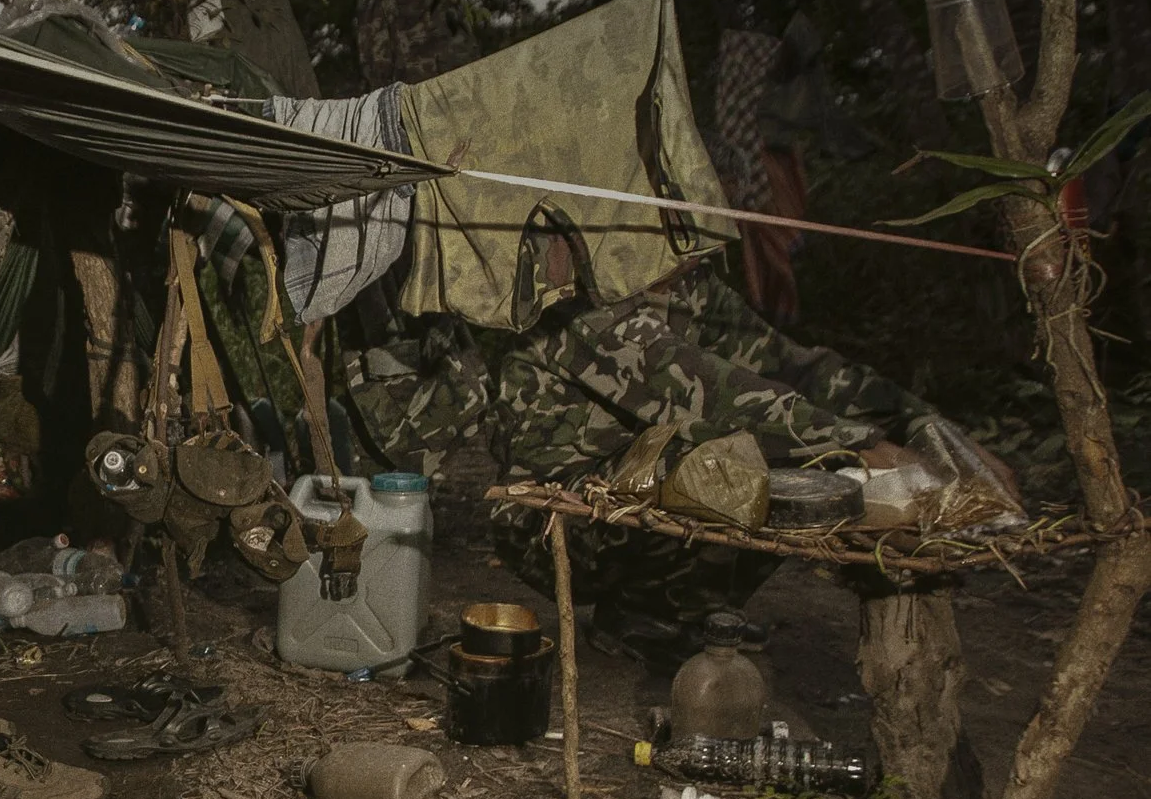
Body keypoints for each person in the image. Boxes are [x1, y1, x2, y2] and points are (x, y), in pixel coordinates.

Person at [330, 261, 1015, 662]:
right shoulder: (579, 312)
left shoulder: (690, 290)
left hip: (634, 494)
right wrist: (861, 444)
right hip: (558, 521)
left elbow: (794, 366)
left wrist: (924, 424)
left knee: (774, 466)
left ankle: (667, 612)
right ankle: (646, 608)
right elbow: (715, 393)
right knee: (734, 457)